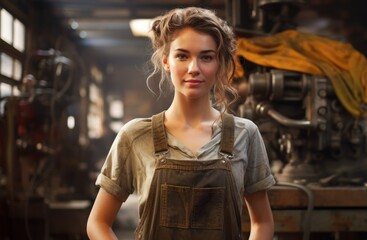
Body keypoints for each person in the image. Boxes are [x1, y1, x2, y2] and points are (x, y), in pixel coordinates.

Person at [86, 7, 275, 240]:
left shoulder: (245, 134)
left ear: (219, 63)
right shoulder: (135, 135)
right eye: (182, 56)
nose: (194, 68)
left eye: (206, 57)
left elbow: (263, 222)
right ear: (166, 61)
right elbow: (98, 222)